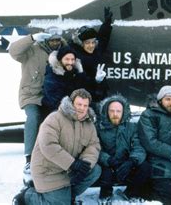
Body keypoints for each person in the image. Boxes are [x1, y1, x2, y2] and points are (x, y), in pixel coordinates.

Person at [12, 89, 101, 205]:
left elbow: (94, 145)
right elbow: (48, 145)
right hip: (48, 171)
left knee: (95, 170)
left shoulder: (89, 124)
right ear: (71, 103)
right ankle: (28, 196)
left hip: (69, 170)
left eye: (85, 105)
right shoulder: (54, 118)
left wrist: (84, 164)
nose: (82, 108)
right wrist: (72, 164)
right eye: (79, 104)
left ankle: (67, 197)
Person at [8, 26, 65, 175]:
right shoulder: (32, 49)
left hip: (51, 95)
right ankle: (29, 159)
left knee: (57, 121)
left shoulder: (62, 52)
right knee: (33, 117)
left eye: (57, 39)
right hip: (31, 95)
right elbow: (13, 51)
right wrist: (31, 38)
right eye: (52, 40)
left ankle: (53, 157)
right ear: (46, 39)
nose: (55, 42)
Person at [96, 94, 151, 202]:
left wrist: (132, 161)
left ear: (123, 112)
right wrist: (107, 159)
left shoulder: (132, 127)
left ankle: (131, 192)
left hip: (125, 164)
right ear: (106, 112)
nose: (115, 114)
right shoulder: (98, 128)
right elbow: (96, 149)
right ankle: (105, 195)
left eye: (118, 111)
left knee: (145, 167)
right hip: (108, 164)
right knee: (105, 172)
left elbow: (138, 147)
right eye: (111, 111)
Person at [70, 7, 113, 114]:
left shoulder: (96, 51)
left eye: (93, 42)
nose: (91, 45)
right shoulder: (76, 57)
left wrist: (107, 23)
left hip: (100, 94)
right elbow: (80, 83)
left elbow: (103, 38)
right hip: (86, 100)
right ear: (81, 43)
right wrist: (96, 80)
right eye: (87, 43)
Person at [41, 45, 87, 116]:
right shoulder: (52, 76)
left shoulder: (75, 73)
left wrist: (81, 73)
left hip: (74, 109)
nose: (70, 62)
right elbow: (56, 102)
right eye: (67, 59)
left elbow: (84, 92)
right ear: (60, 60)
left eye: (72, 59)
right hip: (54, 113)